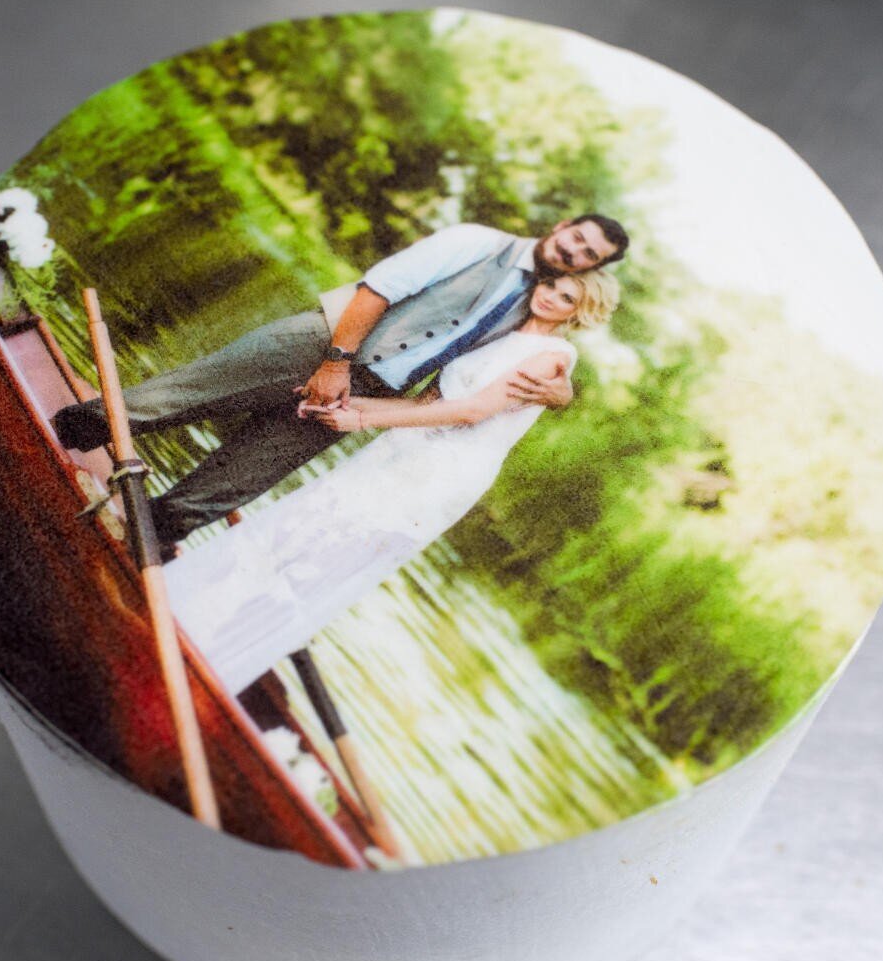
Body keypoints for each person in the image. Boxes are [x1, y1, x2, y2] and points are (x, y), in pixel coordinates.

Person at [160, 269, 620, 694]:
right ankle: (195, 619)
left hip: (442, 472)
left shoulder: (553, 357)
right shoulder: (498, 333)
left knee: (329, 556)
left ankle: (220, 659)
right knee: (302, 526)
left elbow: (472, 411)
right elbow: (427, 406)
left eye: (566, 297)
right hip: (403, 449)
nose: (549, 296)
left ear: (580, 313)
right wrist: (346, 409)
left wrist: (360, 421)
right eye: (552, 284)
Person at [52, 215, 629, 546]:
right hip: (323, 342)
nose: (574, 250)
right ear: (561, 227)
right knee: (172, 400)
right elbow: (379, 288)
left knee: (243, 477)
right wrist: (334, 361)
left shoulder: (535, 309)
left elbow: (512, 370)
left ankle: (135, 539)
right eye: (577, 237)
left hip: (370, 393)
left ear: (587, 268)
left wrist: (563, 391)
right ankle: (57, 439)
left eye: (587, 255)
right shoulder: (479, 242)